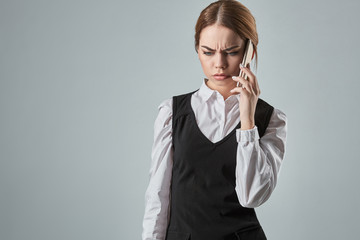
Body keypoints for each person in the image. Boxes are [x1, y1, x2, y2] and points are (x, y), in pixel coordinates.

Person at [142, 0, 287, 239]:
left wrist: (248, 120)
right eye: (208, 52)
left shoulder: (271, 119)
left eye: (231, 52)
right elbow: (157, 196)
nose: (218, 63)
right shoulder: (172, 113)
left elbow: (252, 196)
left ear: (250, 50)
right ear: (197, 50)